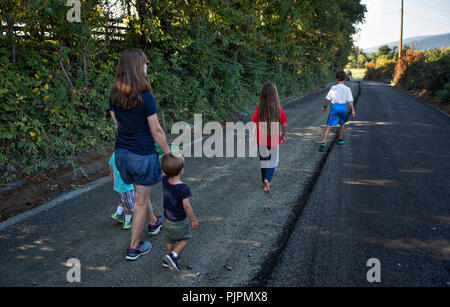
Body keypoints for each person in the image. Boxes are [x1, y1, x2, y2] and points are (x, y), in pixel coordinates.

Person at [109, 48, 171, 261]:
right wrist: (168, 153)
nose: (147, 67)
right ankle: (134, 247)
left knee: (140, 193)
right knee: (140, 201)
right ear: (137, 67)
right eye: (145, 63)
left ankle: (153, 222)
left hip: (122, 154)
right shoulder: (146, 97)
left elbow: (117, 123)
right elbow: (156, 130)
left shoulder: (115, 94)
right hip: (142, 155)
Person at [160, 152, 198, 272]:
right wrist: (193, 220)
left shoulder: (165, 180)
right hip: (179, 222)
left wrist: (166, 160)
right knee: (185, 238)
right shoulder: (184, 189)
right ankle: (173, 255)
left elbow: (163, 171)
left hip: (166, 219)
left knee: (169, 239)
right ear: (181, 170)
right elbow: (187, 206)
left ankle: (167, 259)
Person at [251, 83, 288, 194]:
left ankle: (264, 181)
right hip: (273, 139)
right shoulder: (278, 109)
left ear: (263, 95)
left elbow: (254, 124)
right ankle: (268, 179)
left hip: (260, 139)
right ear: (275, 95)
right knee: (272, 161)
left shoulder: (259, 109)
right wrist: (283, 136)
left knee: (263, 161)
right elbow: (284, 124)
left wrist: (252, 138)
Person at [319, 71, 355, 152]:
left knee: (329, 125)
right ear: (345, 78)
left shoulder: (333, 88)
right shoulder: (347, 89)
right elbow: (350, 100)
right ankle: (340, 139)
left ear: (336, 78)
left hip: (334, 107)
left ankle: (323, 142)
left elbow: (328, 99)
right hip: (343, 107)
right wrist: (353, 110)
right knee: (342, 124)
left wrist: (325, 106)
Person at [109, 151, 134, 230]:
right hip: (127, 188)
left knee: (122, 200)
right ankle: (127, 222)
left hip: (117, 187)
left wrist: (112, 172)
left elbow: (110, 164)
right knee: (129, 206)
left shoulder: (115, 154)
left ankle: (118, 213)